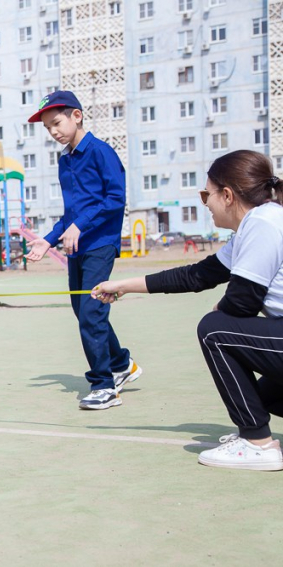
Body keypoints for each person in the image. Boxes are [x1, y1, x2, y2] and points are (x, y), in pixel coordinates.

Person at [92, 150, 283, 471]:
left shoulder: (264, 223)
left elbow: (243, 303)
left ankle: (258, 443)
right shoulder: (258, 223)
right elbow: (196, 276)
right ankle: (255, 434)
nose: (204, 202)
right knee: (260, 398)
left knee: (215, 329)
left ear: (227, 195)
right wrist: (123, 285)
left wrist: (221, 308)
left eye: (205, 194)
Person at [25, 90, 141, 410]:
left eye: (57, 123)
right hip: (76, 247)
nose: (53, 131)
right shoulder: (66, 160)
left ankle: (104, 385)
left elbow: (115, 199)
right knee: (84, 312)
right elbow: (70, 214)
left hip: (100, 244)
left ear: (77, 116)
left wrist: (81, 225)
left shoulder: (101, 152)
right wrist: (48, 238)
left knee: (91, 312)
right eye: (48, 127)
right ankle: (121, 364)